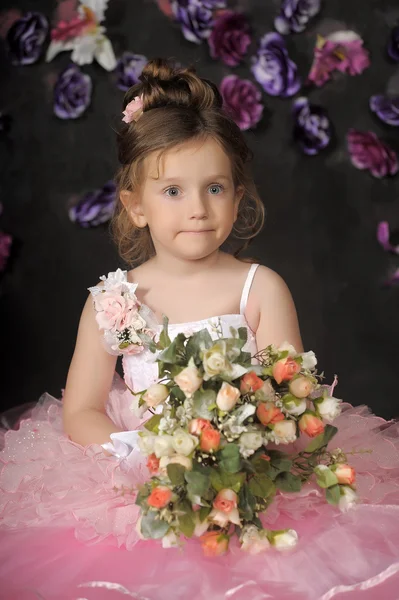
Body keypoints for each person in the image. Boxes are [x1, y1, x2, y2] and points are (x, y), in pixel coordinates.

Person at [0, 58, 398, 600]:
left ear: (238, 197)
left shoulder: (260, 288)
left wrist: (240, 455)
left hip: (244, 467)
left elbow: (292, 396)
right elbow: (81, 409)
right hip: (140, 473)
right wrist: (147, 455)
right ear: (135, 206)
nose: (198, 209)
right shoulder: (115, 300)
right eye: (172, 192)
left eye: (215, 188)